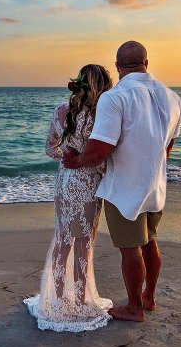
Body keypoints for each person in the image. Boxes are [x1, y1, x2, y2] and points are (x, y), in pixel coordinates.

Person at [63, 41, 181, 322]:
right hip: (155, 186)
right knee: (150, 241)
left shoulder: (115, 98)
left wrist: (76, 160)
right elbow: (167, 147)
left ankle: (134, 307)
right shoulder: (172, 97)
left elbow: (99, 149)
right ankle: (149, 297)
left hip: (125, 189)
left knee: (130, 249)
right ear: (146, 63)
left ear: (118, 67)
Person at [23, 64, 116, 332]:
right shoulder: (102, 115)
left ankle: (61, 300)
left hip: (64, 181)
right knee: (84, 242)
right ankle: (78, 301)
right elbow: (101, 158)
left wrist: (67, 159)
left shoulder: (62, 110)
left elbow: (50, 148)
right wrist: (94, 167)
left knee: (63, 238)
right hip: (86, 182)